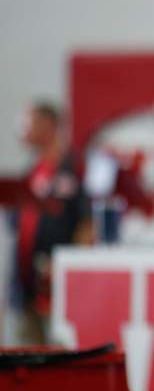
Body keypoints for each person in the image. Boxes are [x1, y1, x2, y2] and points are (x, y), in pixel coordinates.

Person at [10, 101, 93, 343]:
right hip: (26, 285)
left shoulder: (74, 169)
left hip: (59, 287)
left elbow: (87, 223)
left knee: (59, 350)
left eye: (30, 122)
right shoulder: (31, 173)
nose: (23, 130)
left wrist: (68, 265)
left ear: (48, 125)